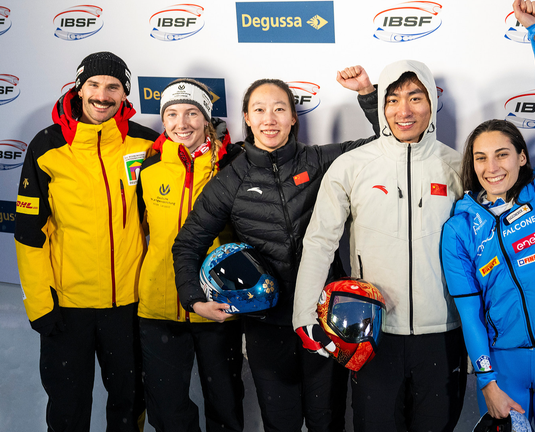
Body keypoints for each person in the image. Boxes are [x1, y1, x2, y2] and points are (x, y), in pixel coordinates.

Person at [172, 70, 379, 432]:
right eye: (260, 110)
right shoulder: (230, 180)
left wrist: (367, 94)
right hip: (267, 327)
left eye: (279, 109)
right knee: (280, 423)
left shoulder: (319, 161)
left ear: (293, 118)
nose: (270, 119)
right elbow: (188, 243)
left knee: (327, 420)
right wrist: (194, 300)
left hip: (323, 319)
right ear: (247, 118)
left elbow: (383, 144)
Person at [293, 59, 468, 432]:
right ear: (382, 106)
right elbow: (320, 242)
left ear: (432, 102)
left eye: (415, 98)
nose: (404, 111)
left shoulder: (457, 167)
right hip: (371, 334)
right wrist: (304, 315)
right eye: (393, 99)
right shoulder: (352, 166)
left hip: (443, 333)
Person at [440, 0, 535, 432]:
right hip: (504, 366)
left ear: (523, 157)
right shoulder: (459, 228)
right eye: (481, 158)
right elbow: (469, 312)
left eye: (502, 154)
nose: (492, 167)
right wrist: (486, 380)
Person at [14, 51, 157, 431]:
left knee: (129, 403)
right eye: (94, 84)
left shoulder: (145, 144)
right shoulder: (47, 146)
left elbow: (165, 216)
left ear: (124, 94)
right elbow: (28, 234)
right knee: (67, 408)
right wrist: (39, 304)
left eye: (113, 87)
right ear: (79, 89)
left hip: (128, 304)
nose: (102, 95)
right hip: (67, 306)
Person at [136, 78, 245, 431]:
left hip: (218, 306)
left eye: (192, 113)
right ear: (163, 120)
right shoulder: (149, 168)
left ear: (207, 118)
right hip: (159, 307)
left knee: (225, 407)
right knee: (167, 412)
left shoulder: (232, 165)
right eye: (172, 114)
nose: (181, 123)